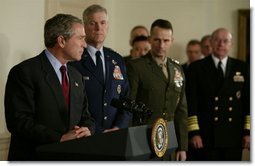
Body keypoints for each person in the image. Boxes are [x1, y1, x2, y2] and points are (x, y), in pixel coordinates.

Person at [4, 14, 95, 161]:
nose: (85, 44)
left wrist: (87, 129)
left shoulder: (76, 75)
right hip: (34, 157)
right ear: (62, 41)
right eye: (80, 38)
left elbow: (86, 116)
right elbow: (18, 121)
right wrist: (60, 138)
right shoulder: (24, 72)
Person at [127, 19, 188, 161]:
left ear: (172, 41)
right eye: (157, 40)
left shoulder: (177, 68)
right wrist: (130, 144)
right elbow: (130, 107)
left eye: (166, 40)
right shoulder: (137, 67)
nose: (161, 45)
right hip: (143, 139)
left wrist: (183, 146)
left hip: (170, 141)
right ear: (149, 40)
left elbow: (181, 110)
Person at [186, 28, 250, 161]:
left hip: (233, 136)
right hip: (205, 137)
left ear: (231, 44)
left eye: (225, 41)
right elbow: (191, 104)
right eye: (217, 40)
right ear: (211, 42)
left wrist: (248, 132)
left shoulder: (242, 68)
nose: (221, 44)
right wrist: (194, 133)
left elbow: (248, 103)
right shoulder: (196, 68)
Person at [70, 4, 131, 134]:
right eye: (93, 23)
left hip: (115, 134)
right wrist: (94, 130)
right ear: (84, 27)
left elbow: (126, 99)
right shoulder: (74, 60)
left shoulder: (117, 60)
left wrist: (119, 127)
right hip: (85, 134)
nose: (99, 28)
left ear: (107, 26)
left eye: (103, 23)